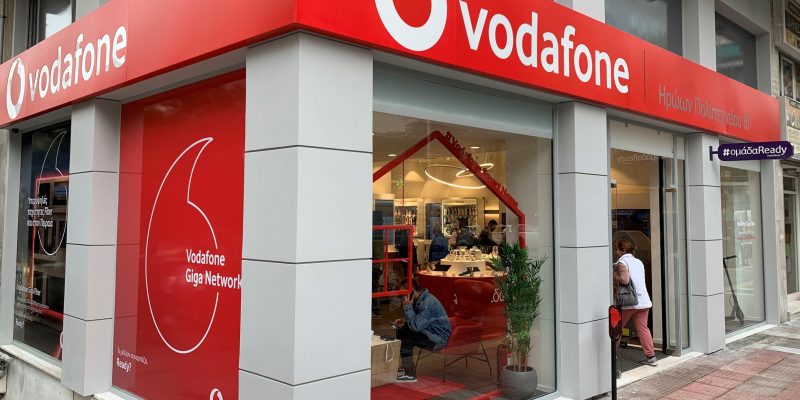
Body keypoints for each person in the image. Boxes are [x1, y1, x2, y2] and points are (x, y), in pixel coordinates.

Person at [393, 277, 451, 383]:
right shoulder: (420, 299)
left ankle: (408, 372)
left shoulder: (428, 302)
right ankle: (407, 368)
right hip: (429, 333)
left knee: (406, 336)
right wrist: (403, 321)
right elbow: (417, 319)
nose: (402, 298)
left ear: (411, 292)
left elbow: (416, 326)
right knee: (403, 330)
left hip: (438, 338)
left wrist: (408, 307)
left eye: (403, 295)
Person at [613, 239, 657, 374]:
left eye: (617, 249)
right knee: (643, 329)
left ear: (622, 250)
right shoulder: (638, 262)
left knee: (617, 329)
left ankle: (611, 355)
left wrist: (614, 274)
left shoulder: (622, 262)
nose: (616, 251)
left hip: (629, 302)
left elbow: (624, 280)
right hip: (643, 301)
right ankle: (651, 357)